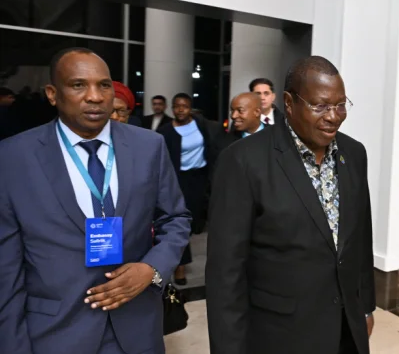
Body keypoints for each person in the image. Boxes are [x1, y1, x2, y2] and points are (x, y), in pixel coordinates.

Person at [0, 47, 191, 354]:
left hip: (138, 329)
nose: (95, 96)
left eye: (104, 85)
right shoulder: (13, 157)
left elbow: (176, 218)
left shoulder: (149, 147)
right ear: (52, 94)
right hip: (55, 335)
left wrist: (152, 268)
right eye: (78, 85)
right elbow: (6, 272)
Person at [206, 56, 376, 354]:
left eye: (340, 105)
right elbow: (225, 272)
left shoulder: (354, 153)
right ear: (288, 102)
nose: (333, 116)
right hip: (279, 334)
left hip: (345, 328)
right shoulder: (243, 160)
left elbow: (360, 237)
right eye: (320, 106)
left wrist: (365, 308)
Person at [158, 93, 220, 283]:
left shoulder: (201, 124)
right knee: (181, 222)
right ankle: (180, 267)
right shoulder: (165, 131)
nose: (180, 110)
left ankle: (179, 254)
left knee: (194, 222)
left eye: (184, 106)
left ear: (190, 108)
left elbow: (212, 145)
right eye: (177, 106)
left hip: (200, 178)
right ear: (172, 108)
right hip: (178, 180)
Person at [207, 92, 264, 193]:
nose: (233, 116)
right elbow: (215, 180)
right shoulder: (223, 143)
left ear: (257, 112)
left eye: (240, 111)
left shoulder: (277, 138)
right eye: (232, 110)